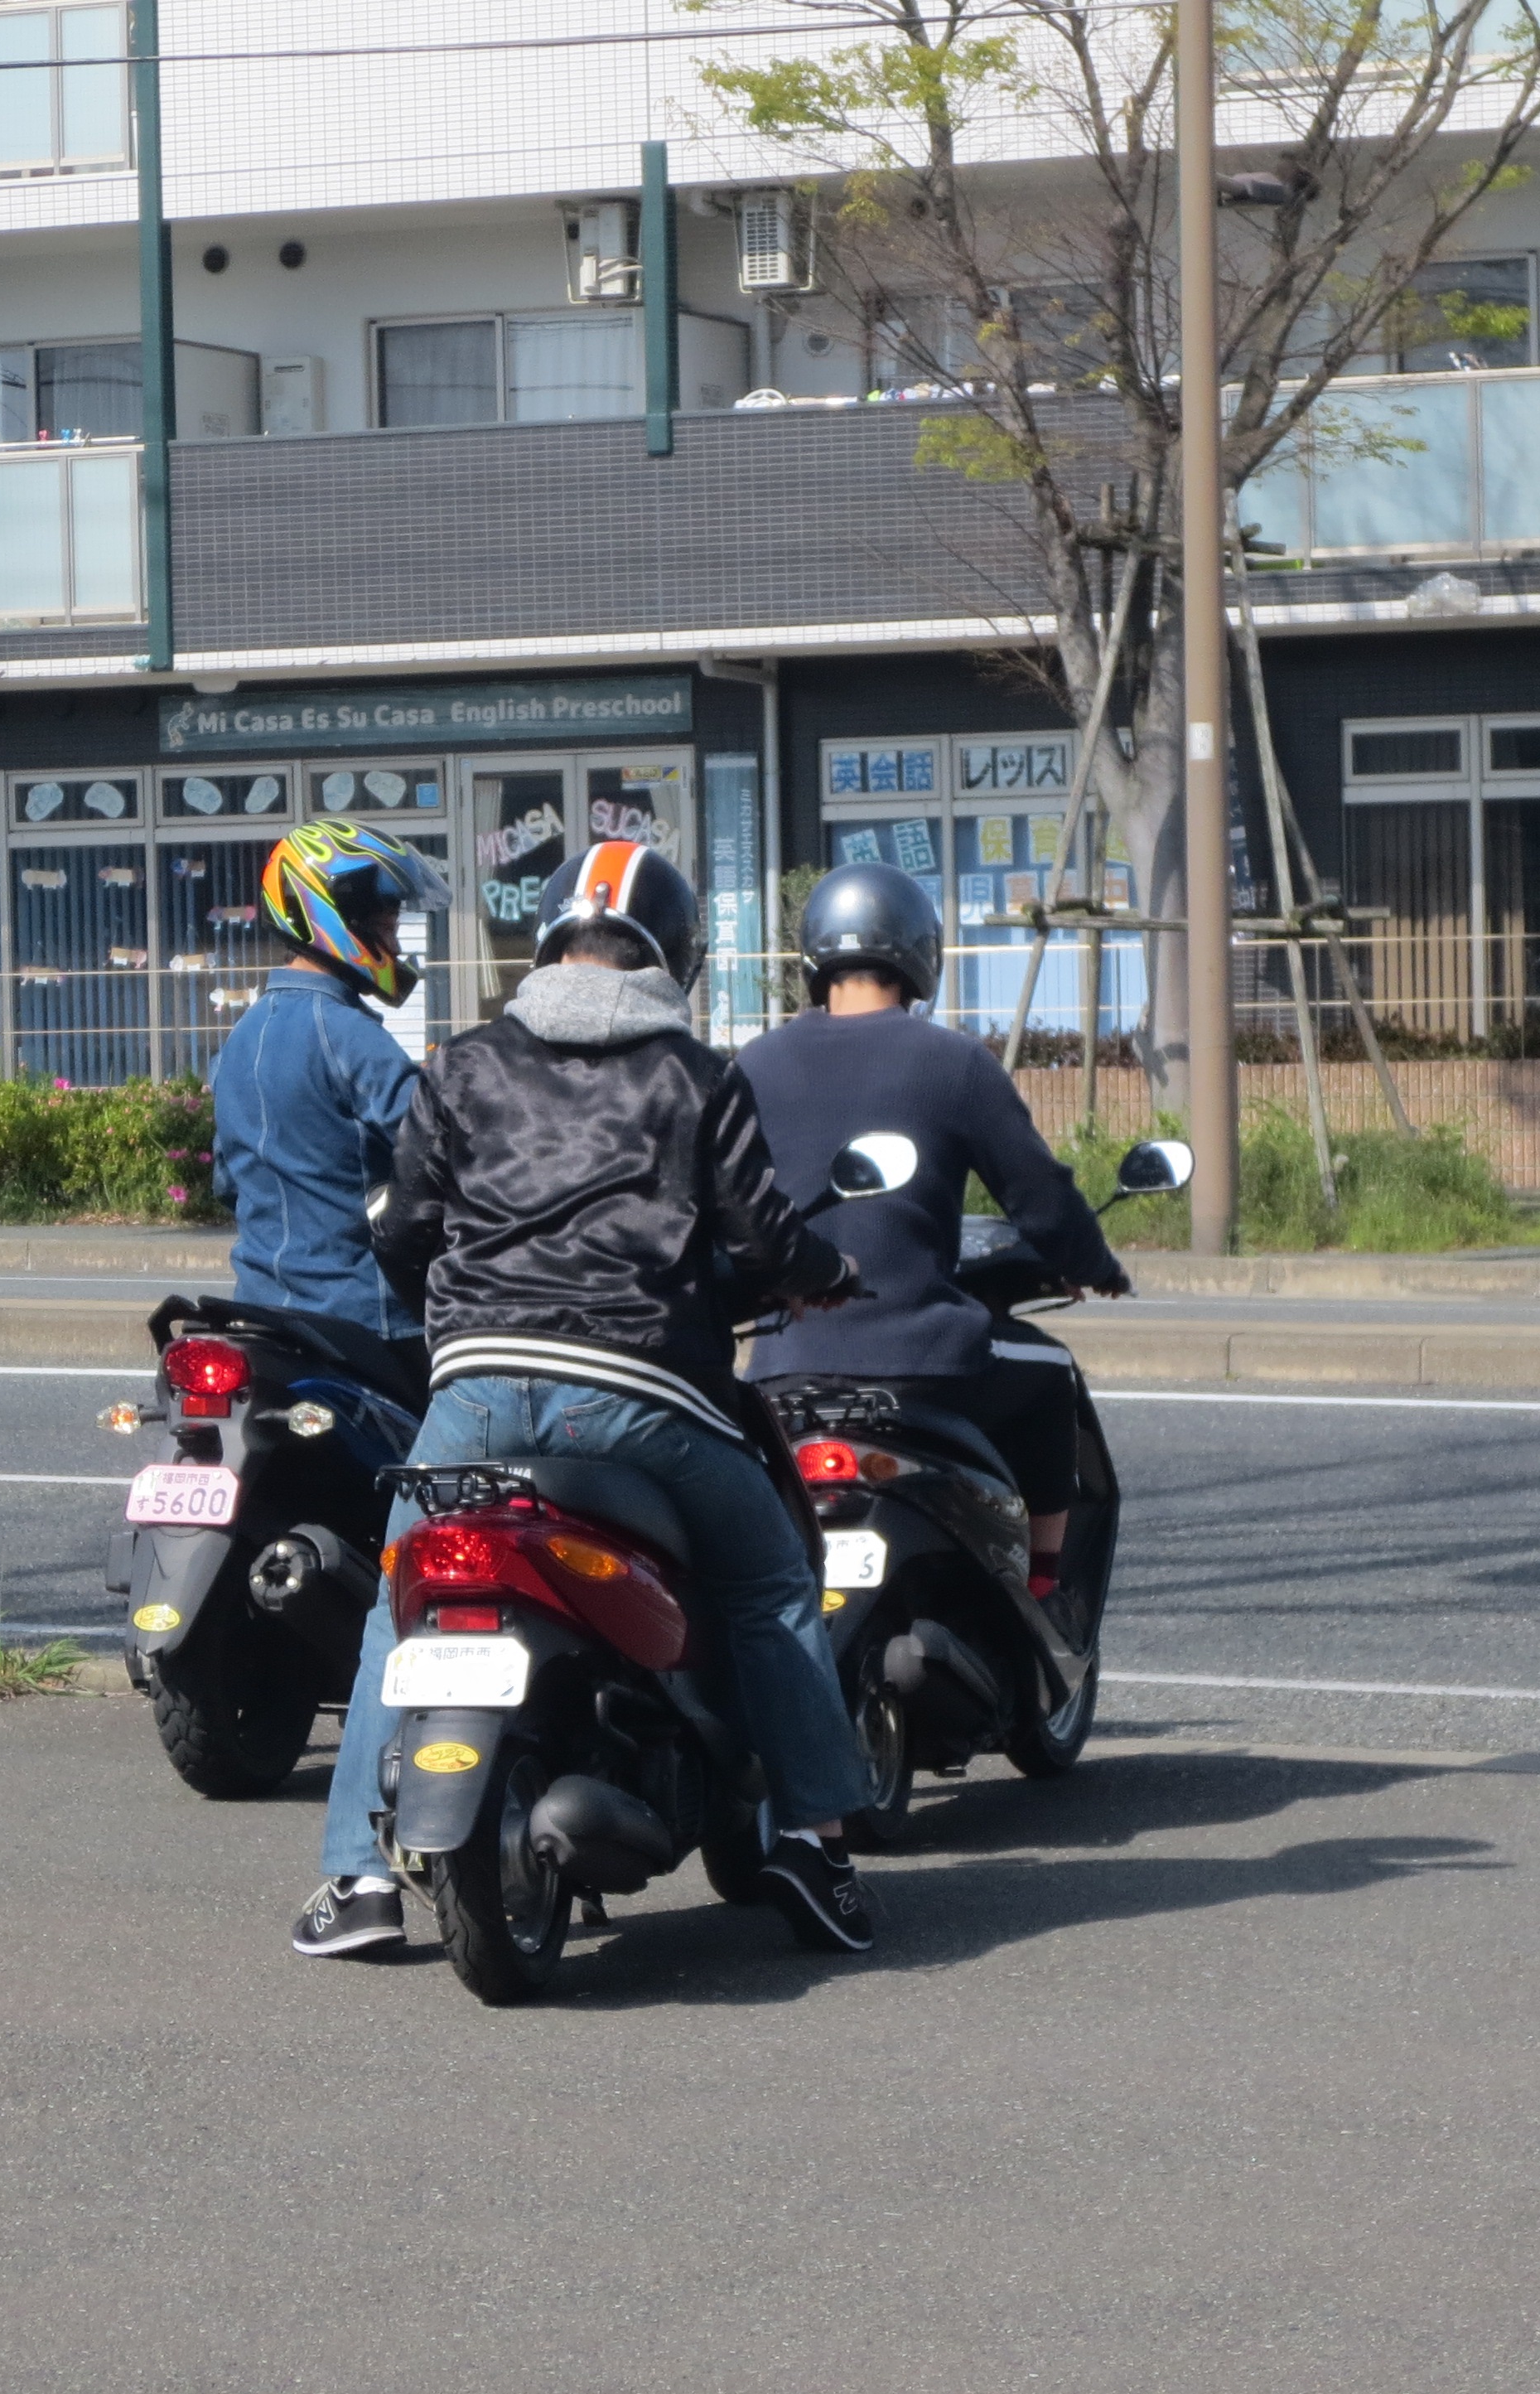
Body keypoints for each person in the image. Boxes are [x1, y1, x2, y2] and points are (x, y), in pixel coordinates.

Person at [289, 838, 886, 1964]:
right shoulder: (698, 1075)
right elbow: (761, 1239)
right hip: (644, 1397)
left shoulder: (461, 1066)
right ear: (678, 954)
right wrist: (824, 1276)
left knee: (393, 1603)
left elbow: (404, 1234)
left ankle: (356, 1880)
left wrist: (461, 1324)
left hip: (469, 1399)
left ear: (550, 942)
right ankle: (812, 1838)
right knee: (769, 1586)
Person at [736, 862, 1131, 1613]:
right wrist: (1094, 1265)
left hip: (783, 1374)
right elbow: (1039, 1196)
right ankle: (1043, 1587)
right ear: (920, 955)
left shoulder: (754, 1064)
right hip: (922, 1369)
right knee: (1047, 1375)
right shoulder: (952, 1063)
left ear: (814, 955)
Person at [208, 819, 447, 1334]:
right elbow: (441, 1153)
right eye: (384, 914)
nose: (393, 929)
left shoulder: (239, 1041)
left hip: (261, 1307)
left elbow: (229, 1182)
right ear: (340, 913)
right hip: (365, 1315)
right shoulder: (350, 1037)